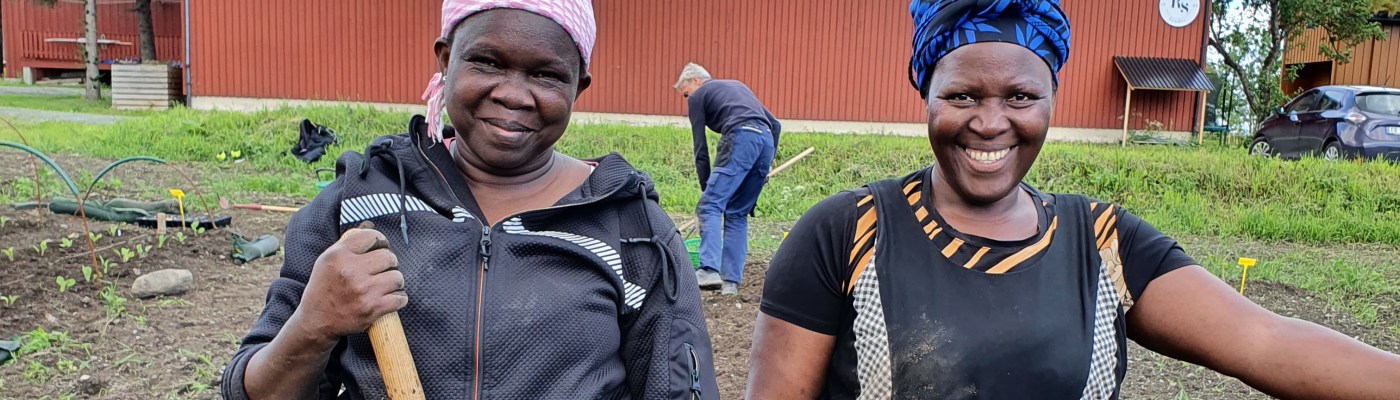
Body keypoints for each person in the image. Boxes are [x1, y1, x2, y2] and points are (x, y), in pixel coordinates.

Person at [746, 0, 1400, 399]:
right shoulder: (846, 234)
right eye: (962, 95)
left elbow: (1265, 340)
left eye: (1020, 96)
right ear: (927, 96)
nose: (990, 122)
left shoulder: (1103, 243)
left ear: (1050, 100)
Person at [220, 1, 720, 398]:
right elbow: (253, 390)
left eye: (546, 75)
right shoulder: (358, 205)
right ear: (445, 59)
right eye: (487, 62)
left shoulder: (632, 231)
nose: (513, 94)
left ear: (578, 86)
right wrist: (312, 326)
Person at [673, 63, 781, 296]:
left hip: (740, 138)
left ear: (695, 81)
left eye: (685, 93)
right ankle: (730, 283)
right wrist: (766, 164)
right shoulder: (737, 87)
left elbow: (700, 148)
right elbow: (775, 125)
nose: (687, 99)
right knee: (737, 213)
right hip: (765, 143)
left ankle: (709, 269)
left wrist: (706, 190)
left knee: (710, 205)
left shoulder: (699, 95)